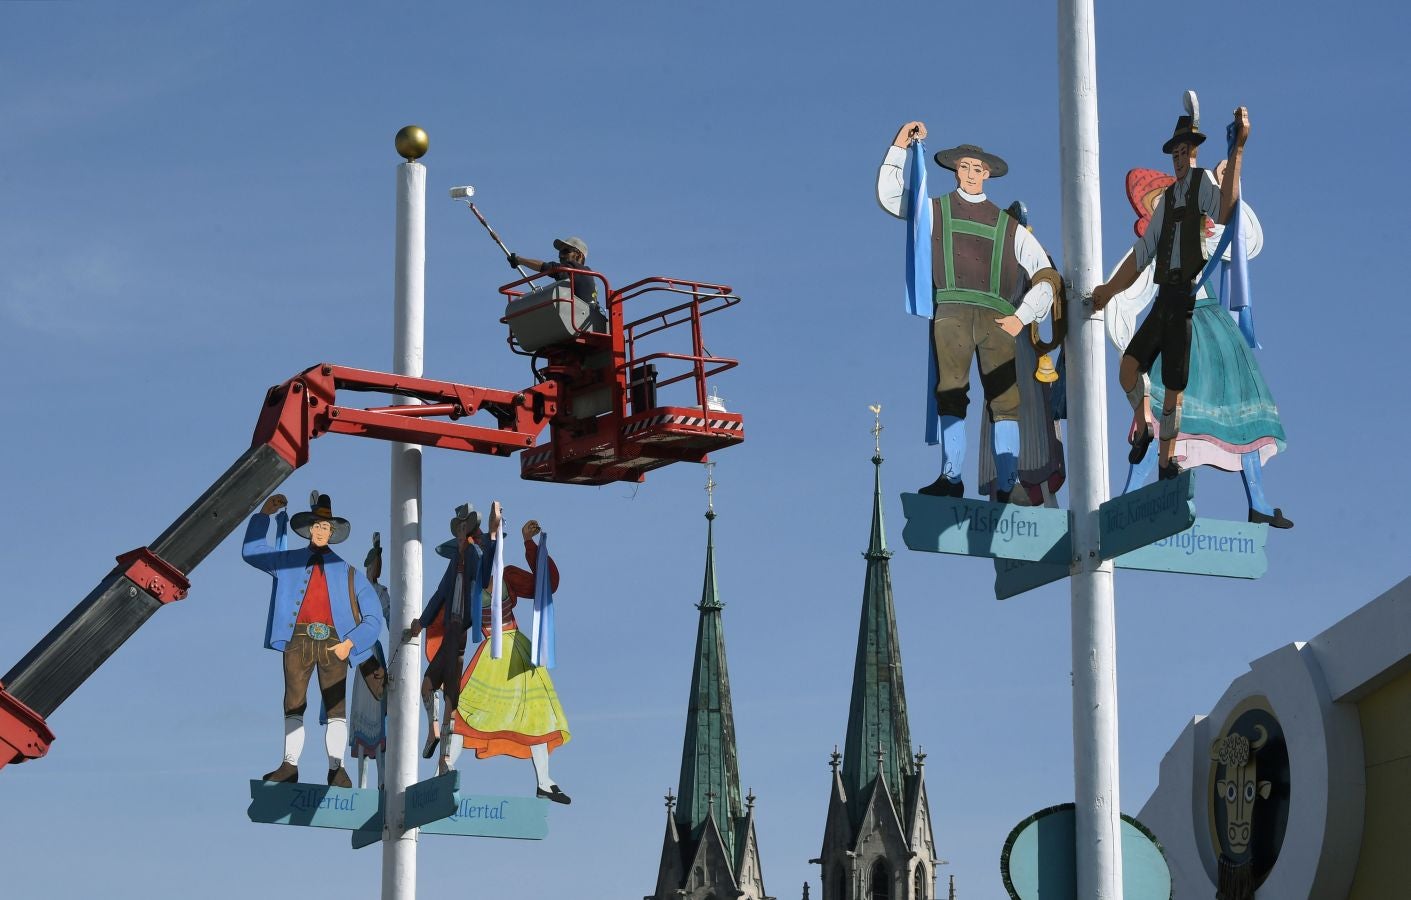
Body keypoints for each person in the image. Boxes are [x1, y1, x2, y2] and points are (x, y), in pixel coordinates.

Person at [878, 122, 1063, 502]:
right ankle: (951, 476)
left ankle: (1008, 481)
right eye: (965, 167)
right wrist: (900, 144)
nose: (971, 174)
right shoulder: (934, 210)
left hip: (997, 319)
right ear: (955, 170)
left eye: (978, 169)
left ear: (988, 174)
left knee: (1005, 399)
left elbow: (1046, 273)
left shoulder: (1009, 226)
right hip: (951, 312)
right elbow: (891, 195)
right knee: (950, 392)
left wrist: (1022, 315)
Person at [1107, 164, 1292, 527]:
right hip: (1178, 332)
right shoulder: (1156, 251)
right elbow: (1122, 300)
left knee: (1245, 415)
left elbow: (1246, 240)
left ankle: (1258, 502)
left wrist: (1229, 184)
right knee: (1162, 418)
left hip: (1217, 338)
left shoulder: (1205, 239)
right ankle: (1127, 500)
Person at [1092, 101, 1251, 481]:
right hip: (1163, 299)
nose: (1179, 159)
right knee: (1128, 368)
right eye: (1175, 153)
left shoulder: (1202, 186)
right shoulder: (1166, 201)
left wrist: (1238, 151)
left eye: (1184, 152)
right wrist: (1110, 290)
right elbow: (1143, 253)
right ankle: (1142, 423)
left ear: (1194, 153)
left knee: (1175, 391)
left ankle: (1165, 462)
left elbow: (1227, 212)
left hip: (1185, 301)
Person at [242, 492, 384, 787]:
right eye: (316, 526)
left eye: (325, 527)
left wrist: (350, 644)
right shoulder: (288, 561)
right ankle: (289, 765)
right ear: (309, 529)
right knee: (293, 703)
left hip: (335, 644)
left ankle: (337, 769)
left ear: (332, 533)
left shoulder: (350, 574)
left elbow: (374, 617)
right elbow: (253, 552)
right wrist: (263, 515)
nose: (320, 532)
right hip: (297, 641)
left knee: (336, 708)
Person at [445, 501, 572, 803]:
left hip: (516, 650)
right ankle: (446, 767)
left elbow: (547, 584)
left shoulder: (507, 577)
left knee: (537, 714)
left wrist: (529, 544)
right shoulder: (463, 584)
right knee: (463, 711)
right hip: (492, 653)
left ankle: (544, 781)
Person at [406, 504, 488, 773]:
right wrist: (422, 622)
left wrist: (495, 537)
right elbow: (440, 594)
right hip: (450, 631)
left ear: (471, 531)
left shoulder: (475, 555)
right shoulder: (454, 562)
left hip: (460, 632)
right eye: (458, 528)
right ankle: (438, 744)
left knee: (441, 691)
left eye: (465, 527)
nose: (461, 532)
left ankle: (442, 753)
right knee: (435, 689)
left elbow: (485, 577)